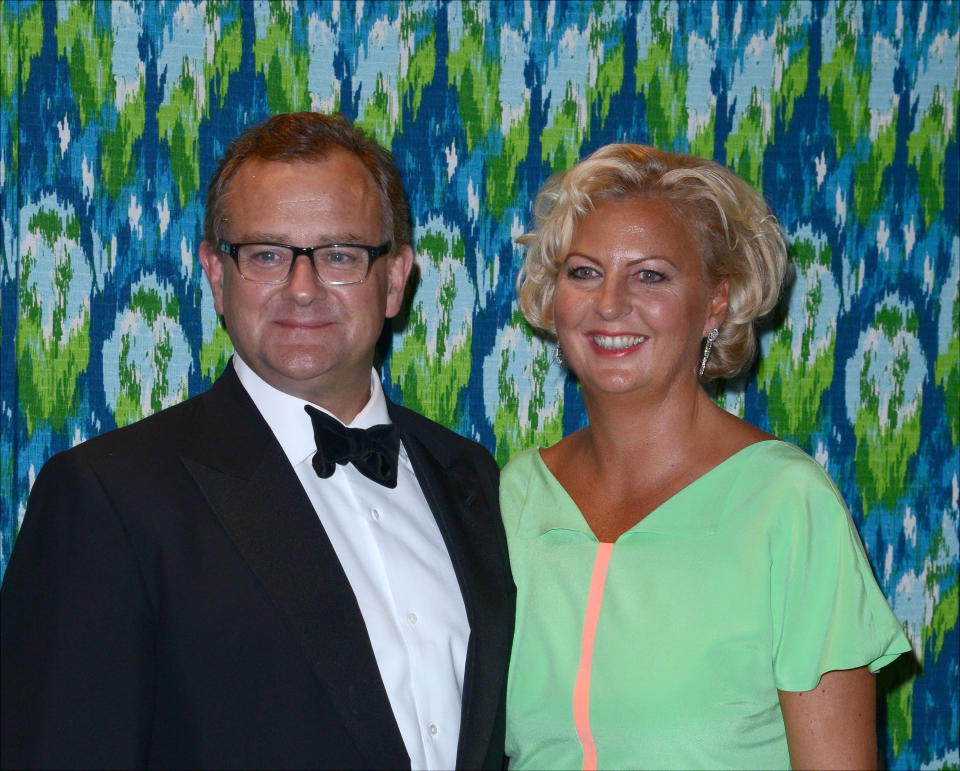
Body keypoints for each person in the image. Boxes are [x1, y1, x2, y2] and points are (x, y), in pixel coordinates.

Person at [1, 112, 514, 770]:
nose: (302, 289)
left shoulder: (473, 478)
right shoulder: (109, 496)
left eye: (339, 255)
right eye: (267, 255)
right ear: (216, 275)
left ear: (394, 280)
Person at [501, 143, 911, 770]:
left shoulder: (785, 504)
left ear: (717, 303)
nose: (610, 303)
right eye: (584, 271)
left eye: (651, 275)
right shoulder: (513, 496)